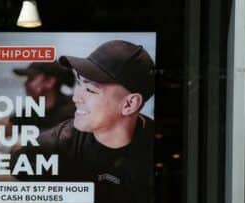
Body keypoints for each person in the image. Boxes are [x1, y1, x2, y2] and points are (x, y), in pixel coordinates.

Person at [22, 39, 156, 186]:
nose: (75, 98)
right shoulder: (58, 142)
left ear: (129, 104)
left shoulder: (154, 149)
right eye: (79, 82)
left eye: (91, 90)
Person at [10, 61, 76, 132]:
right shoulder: (28, 114)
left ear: (49, 82)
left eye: (31, 79)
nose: (25, 84)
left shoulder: (73, 111)